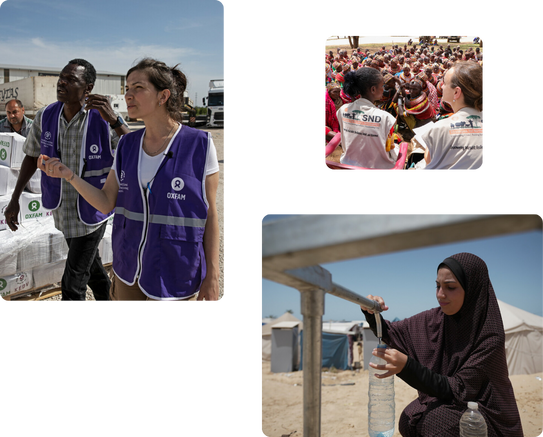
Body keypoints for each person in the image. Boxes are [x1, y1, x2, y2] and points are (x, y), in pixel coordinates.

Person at [38, 58, 220, 303]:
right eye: (127, 89)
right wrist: (69, 175)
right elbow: (105, 203)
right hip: (128, 270)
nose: (128, 96)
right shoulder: (127, 144)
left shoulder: (199, 145)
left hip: (174, 271)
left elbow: (209, 214)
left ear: (162, 96)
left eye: (138, 88)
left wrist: (213, 274)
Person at [4, 59, 130, 304]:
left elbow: (135, 149)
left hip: (92, 212)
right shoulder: (46, 115)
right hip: (64, 211)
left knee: (72, 286)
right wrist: (15, 198)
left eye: (71, 79)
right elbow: (31, 156)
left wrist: (114, 120)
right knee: (92, 270)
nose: (62, 83)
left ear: (88, 89)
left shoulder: (102, 118)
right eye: (61, 77)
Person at [360, 253, 524, 437]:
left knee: (436, 424)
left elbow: (459, 388)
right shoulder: (436, 319)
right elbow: (392, 332)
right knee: (408, 419)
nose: (440, 294)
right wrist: (371, 311)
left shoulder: (489, 335)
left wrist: (407, 367)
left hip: (484, 414)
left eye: (450, 287)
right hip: (449, 402)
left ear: (472, 289)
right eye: (438, 286)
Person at [336, 68, 398, 168]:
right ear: (373, 89)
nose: (384, 88)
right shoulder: (385, 118)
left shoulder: (343, 110)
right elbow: (390, 150)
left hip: (349, 166)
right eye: (382, 85)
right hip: (377, 171)